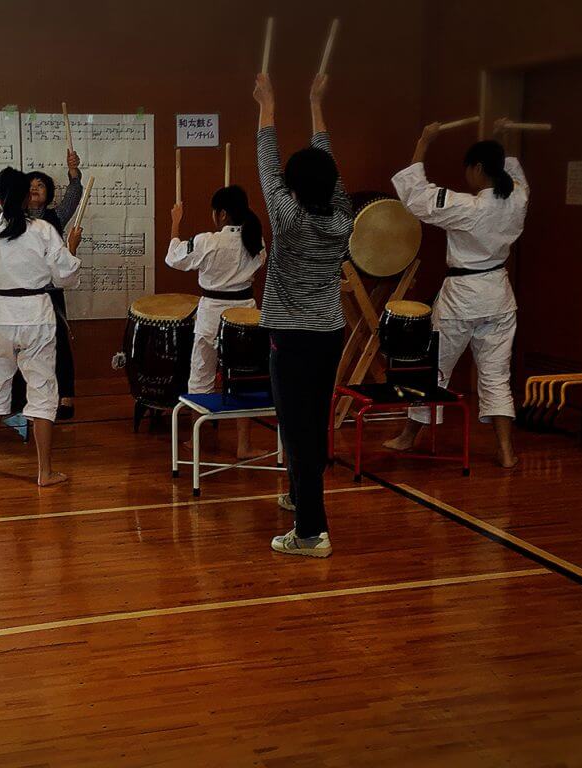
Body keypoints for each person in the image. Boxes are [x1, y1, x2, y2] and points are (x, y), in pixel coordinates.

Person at [385, 118, 528, 469]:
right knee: (496, 375)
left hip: (462, 298)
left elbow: (416, 196)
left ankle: (408, 436)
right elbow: (516, 176)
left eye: (469, 169)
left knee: (433, 369)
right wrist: (503, 139)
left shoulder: (469, 208)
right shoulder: (518, 199)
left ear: (477, 168)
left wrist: (424, 141)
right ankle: (505, 450)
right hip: (498, 295)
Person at [254, 72, 352, 559]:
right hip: (328, 334)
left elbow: (266, 162)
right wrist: (315, 103)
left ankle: (311, 532)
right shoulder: (343, 217)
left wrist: (266, 104)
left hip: (291, 338)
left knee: (298, 430)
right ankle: (298, 495)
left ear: (293, 186)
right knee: (311, 420)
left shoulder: (287, 219)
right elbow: (323, 166)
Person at [0, 167, 83, 486]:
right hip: (36, 314)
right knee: (43, 388)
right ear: (27, 197)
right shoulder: (43, 230)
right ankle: (44, 471)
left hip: (0, 315)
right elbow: (65, 276)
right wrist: (72, 249)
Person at [165, 185, 266, 458]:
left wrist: (175, 223)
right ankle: (244, 445)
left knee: (201, 374)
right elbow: (259, 260)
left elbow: (173, 258)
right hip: (245, 315)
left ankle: (196, 439)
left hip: (212, 313)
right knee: (242, 377)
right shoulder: (255, 239)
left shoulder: (208, 241)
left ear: (221, 214)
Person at [0, 150, 82, 419]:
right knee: (16, 352)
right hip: (16, 299)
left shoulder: (54, 218)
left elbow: (74, 197)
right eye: (31, 185)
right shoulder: (10, 217)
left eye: (41, 185)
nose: (35, 188)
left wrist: (73, 172)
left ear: (49, 194)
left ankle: (65, 396)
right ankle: (22, 399)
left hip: (48, 294)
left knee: (59, 344)